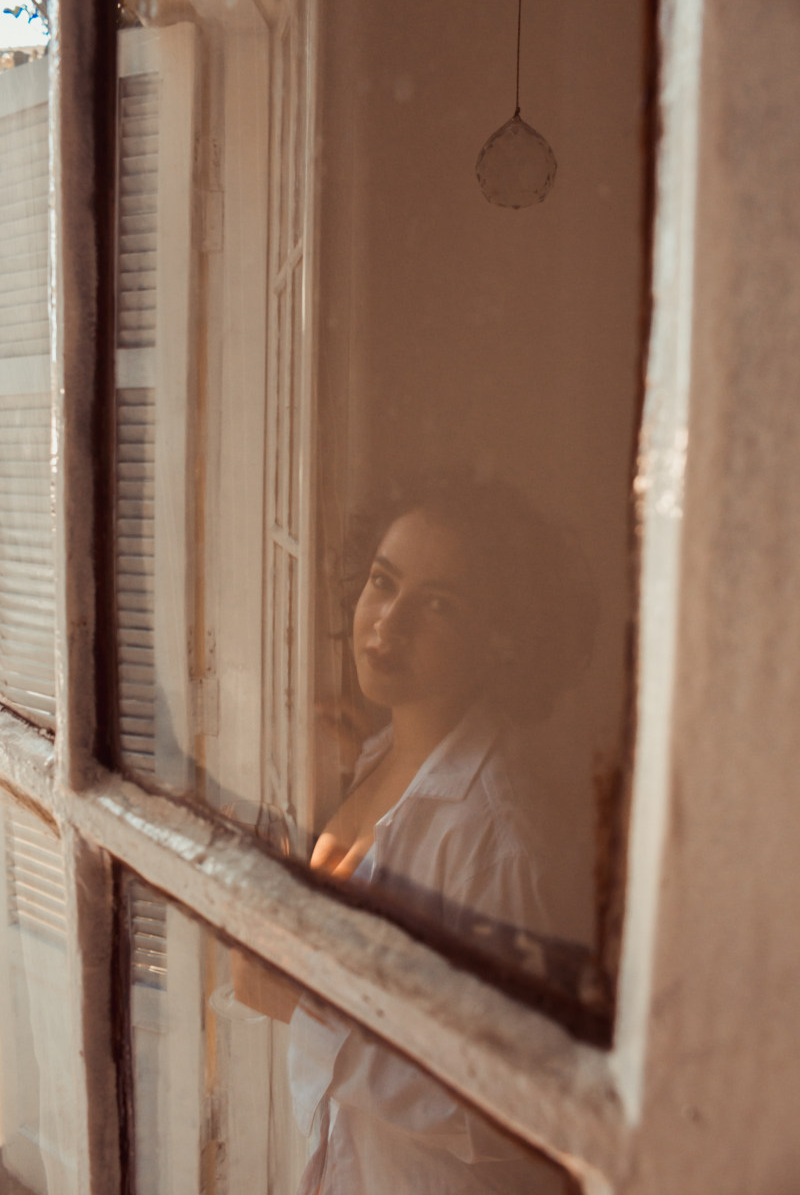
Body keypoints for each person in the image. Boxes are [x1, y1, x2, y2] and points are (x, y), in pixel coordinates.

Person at [234, 469, 594, 1193]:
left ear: (501, 640)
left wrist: (296, 1000)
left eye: (439, 606)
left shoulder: (501, 834)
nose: (386, 623)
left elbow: (520, 1112)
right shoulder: (376, 757)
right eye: (382, 581)